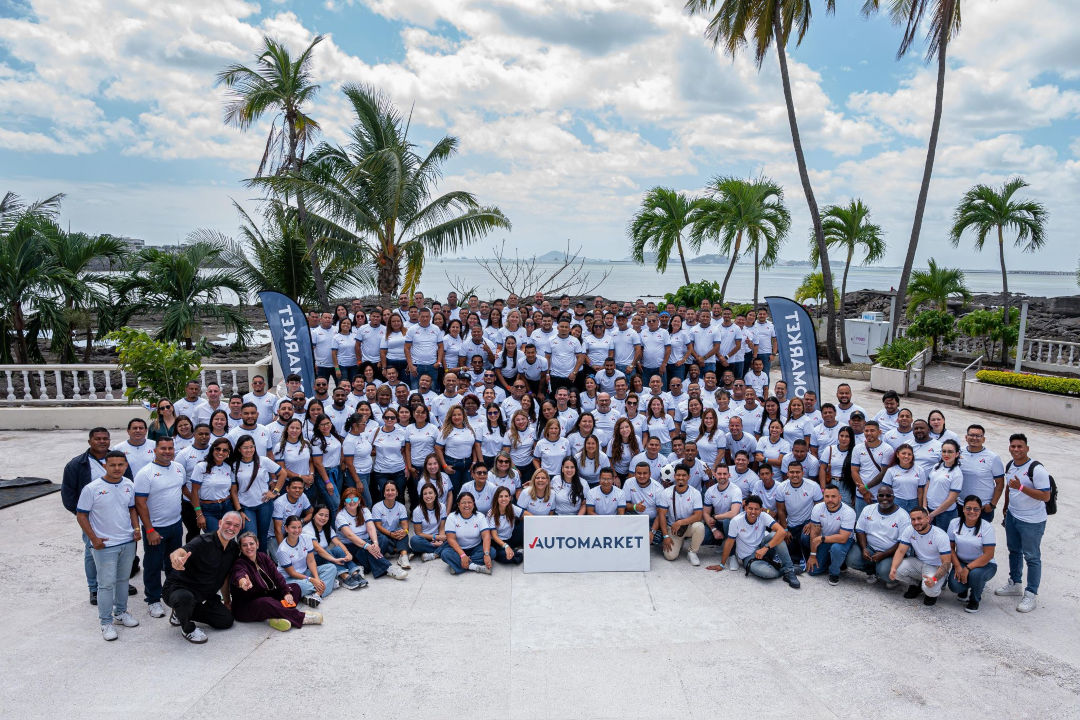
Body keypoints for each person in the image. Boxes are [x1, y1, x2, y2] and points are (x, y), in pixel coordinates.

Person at [63, 427, 138, 604]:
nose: (102, 441)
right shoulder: (76, 464)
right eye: (98, 438)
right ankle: (94, 588)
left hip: (118, 518)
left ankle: (120, 582)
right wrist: (84, 515)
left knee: (121, 552)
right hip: (92, 519)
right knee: (93, 552)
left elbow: (128, 486)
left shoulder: (118, 459)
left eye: (105, 438)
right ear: (90, 441)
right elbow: (68, 495)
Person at [76, 451, 141, 640]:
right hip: (105, 545)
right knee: (105, 585)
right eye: (112, 465)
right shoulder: (91, 488)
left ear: (126, 466)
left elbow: (132, 509)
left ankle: (120, 613)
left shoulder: (129, 485)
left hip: (127, 541)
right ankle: (106, 622)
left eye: (121, 465)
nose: (117, 468)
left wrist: (136, 528)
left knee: (122, 580)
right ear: (105, 466)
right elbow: (81, 515)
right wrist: (94, 539)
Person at [163, 511, 244, 644]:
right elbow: (179, 552)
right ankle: (187, 628)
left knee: (225, 620)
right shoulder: (203, 541)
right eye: (228, 523)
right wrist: (176, 559)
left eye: (236, 525)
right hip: (178, 589)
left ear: (240, 528)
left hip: (203, 594)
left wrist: (227, 601)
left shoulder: (234, 549)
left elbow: (225, 577)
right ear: (220, 523)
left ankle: (180, 612)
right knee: (185, 598)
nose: (231, 528)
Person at [994, 433, 1052, 613]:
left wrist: (1021, 487)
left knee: (1032, 557)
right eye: (1013, 446)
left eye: (1020, 446)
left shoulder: (1037, 469)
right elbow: (1008, 488)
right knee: (1014, 551)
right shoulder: (1010, 465)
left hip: (1032, 521)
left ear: (1027, 448)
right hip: (1013, 516)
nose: (1016, 449)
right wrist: (1006, 508)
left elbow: (1045, 496)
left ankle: (1031, 593)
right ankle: (1015, 583)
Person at [133, 437, 186, 619]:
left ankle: (172, 592)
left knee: (174, 563)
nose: (167, 452)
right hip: (156, 528)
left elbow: (181, 490)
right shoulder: (145, 473)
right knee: (153, 564)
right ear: (155, 451)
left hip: (176, 524)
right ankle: (153, 599)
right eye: (163, 448)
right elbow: (140, 503)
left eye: (170, 448)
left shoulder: (178, 468)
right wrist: (149, 530)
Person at [230, 531, 318, 631]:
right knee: (266, 602)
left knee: (294, 587)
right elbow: (239, 574)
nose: (249, 547)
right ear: (241, 548)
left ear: (257, 544)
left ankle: (278, 614)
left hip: (267, 596)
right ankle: (300, 617)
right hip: (247, 606)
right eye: (245, 545)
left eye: (251, 544)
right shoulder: (239, 563)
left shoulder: (263, 557)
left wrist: (286, 592)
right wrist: (243, 582)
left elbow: (277, 577)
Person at [711, 495, 799, 588]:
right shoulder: (736, 521)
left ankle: (789, 570)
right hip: (748, 556)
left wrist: (765, 548)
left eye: (756, 509)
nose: (753, 512)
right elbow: (729, 543)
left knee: (776, 535)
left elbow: (782, 532)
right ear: (745, 508)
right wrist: (722, 564)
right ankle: (786, 569)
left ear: (761, 510)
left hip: (763, 548)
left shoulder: (763, 516)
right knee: (767, 573)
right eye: (750, 508)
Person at [334, 488, 407, 580]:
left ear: (359, 500)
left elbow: (371, 527)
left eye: (355, 499)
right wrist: (367, 546)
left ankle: (364, 565)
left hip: (365, 542)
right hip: (351, 545)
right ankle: (389, 568)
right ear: (344, 502)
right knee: (367, 549)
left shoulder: (364, 510)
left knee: (383, 539)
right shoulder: (340, 516)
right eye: (348, 500)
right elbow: (350, 536)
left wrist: (375, 543)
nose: (352, 502)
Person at [847, 485, 910, 585]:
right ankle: (872, 572)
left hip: (890, 553)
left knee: (885, 571)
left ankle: (889, 578)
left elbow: (902, 543)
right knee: (851, 559)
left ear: (893, 497)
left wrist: (884, 554)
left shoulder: (903, 516)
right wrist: (864, 548)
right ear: (877, 497)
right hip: (870, 548)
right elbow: (860, 530)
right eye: (881, 495)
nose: (885, 498)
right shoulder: (868, 509)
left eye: (888, 496)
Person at [889, 506, 952, 605]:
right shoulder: (909, 530)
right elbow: (901, 551)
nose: (916, 522)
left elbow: (947, 563)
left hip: (936, 566)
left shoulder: (940, 535)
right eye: (913, 519)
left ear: (928, 519)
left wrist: (934, 579)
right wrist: (893, 568)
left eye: (919, 518)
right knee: (897, 571)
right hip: (919, 562)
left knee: (930, 590)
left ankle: (934, 589)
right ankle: (917, 585)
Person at [233, 435, 284, 553]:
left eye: (251, 447)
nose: (249, 450)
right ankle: (248, 562)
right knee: (250, 537)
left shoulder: (263, 460)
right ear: (239, 449)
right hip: (246, 507)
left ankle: (262, 560)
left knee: (262, 536)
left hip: (264, 505)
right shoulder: (235, 465)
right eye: (245, 447)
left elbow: (283, 473)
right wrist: (239, 510)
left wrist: (275, 492)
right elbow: (234, 491)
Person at [947, 495, 998, 613]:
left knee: (975, 575)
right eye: (968, 508)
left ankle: (975, 599)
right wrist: (958, 566)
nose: (972, 512)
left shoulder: (986, 527)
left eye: (976, 509)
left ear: (980, 510)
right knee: (954, 586)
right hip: (962, 562)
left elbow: (988, 555)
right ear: (963, 509)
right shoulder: (954, 523)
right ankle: (964, 588)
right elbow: (950, 548)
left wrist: (968, 568)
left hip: (984, 564)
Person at [275, 515, 338, 608]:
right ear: (286, 528)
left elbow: (311, 561)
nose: (297, 530)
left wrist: (316, 579)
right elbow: (292, 573)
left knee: (331, 568)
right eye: (293, 527)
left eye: (299, 527)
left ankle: (316, 594)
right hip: (289, 579)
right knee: (305, 585)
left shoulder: (306, 538)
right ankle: (326, 586)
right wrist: (311, 580)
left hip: (304, 573)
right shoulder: (282, 549)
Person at [805, 484, 857, 585]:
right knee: (813, 571)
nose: (830, 500)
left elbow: (843, 538)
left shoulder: (849, 512)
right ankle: (834, 561)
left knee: (836, 548)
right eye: (827, 496)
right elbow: (814, 533)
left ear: (840, 497)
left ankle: (834, 572)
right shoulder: (817, 508)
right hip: (825, 538)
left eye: (833, 496)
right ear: (823, 497)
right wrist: (813, 555)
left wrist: (822, 539)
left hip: (843, 541)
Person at [775, 462, 823, 570]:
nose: (795, 475)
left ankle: (806, 558)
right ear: (787, 473)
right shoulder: (781, 487)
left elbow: (820, 508)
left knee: (805, 537)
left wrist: (812, 523)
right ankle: (794, 559)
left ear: (803, 473)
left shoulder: (813, 486)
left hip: (807, 522)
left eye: (798, 472)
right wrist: (785, 529)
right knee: (784, 538)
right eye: (792, 472)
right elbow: (781, 510)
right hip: (791, 522)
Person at [304, 505, 364, 590]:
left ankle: (355, 573)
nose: (323, 518)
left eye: (326, 516)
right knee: (327, 553)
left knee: (338, 549)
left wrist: (347, 553)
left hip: (324, 555)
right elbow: (318, 549)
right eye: (321, 515)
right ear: (314, 515)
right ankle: (344, 577)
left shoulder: (327, 527)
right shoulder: (307, 530)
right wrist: (334, 559)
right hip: (312, 560)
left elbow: (337, 542)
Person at [191, 438, 239, 533]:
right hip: (208, 509)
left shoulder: (228, 467)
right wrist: (199, 514)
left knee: (229, 536)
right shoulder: (201, 466)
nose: (221, 452)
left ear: (228, 453)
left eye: (225, 450)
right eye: (218, 449)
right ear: (212, 450)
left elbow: (233, 491)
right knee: (215, 537)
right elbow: (194, 491)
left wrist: (238, 510)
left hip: (227, 507)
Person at [659, 464, 705, 565]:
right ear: (674, 476)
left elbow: (698, 516)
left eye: (684, 475)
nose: (681, 478)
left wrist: (680, 522)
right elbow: (661, 515)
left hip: (688, 526)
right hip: (673, 528)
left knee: (700, 526)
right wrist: (665, 536)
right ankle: (679, 542)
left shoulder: (695, 493)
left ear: (689, 477)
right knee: (670, 556)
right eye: (678, 475)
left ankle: (692, 552)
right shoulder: (666, 492)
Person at [440, 492, 495, 575]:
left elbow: (486, 536)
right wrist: (462, 555)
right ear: (458, 504)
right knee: (445, 554)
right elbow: (451, 539)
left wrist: (486, 554)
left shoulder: (480, 516)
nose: (467, 505)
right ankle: (474, 567)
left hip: (475, 548)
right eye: (463, 503)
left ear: (473, 504)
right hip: (458, 549)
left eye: (469, 502)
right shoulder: (452, 517)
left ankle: (457, 565)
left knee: (492, 552)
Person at [959, 424, 1005, 521]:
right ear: (966, 437)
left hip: (982, 508)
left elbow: (1000, 483)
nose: (974, 438)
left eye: (978, 436)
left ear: (983, 439)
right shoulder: (958, 453)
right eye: (971, 435)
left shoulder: (993, 457)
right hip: (960, 505)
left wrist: (992, 505)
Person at [925, 439, 964, 532]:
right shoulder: (936, 466)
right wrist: (924, 507)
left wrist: (932, 515)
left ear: (957, 454)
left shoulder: (957, 474)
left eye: (950, 452)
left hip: (945, 515)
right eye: (944, 451)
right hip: (929, 510)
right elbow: (927, 486)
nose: (946, 454)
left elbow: (951, 500)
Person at [372, 482, 411, 569]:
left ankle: (403, 557)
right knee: (383, 540)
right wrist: (390, 534)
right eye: (387, 490)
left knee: (403, 534)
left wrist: (405, 531)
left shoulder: (401, 506)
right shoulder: (377, 507)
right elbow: (378, 526)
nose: (390, 492)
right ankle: (400, 549)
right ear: (384, 493)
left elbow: (405, 524)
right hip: (382, 535)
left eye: (393, 490)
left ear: (397, 493)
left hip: (395, 534)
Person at [703, 465, 743, 546]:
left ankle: (730, 544)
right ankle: (721, 540)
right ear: (715, 475)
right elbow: (705, 512)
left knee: (727, 521)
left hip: (731, 522)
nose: (722, 476)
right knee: (703, 539)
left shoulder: (736, 490)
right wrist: (714, 530)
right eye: (719, 474)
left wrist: (715, 517)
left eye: (725, 474)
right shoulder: (710, 491)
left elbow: (733, 513)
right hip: (717, 523)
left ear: (729, 475)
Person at [408, 482, 447, 562]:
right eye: (425, 494)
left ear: (435, 494)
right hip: (423, 539)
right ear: (422, 496)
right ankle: (440, 550)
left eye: (430, 493)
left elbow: (442, 528)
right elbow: (418, 533)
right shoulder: (417, 511)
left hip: (437, 537)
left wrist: (441, 540)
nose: (428, 496)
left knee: (454, 537)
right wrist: (435, 538)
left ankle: (430, 553)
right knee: (414, 540)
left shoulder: (442, 507)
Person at [488, 486, 524, 564]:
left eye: (506, 496)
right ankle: (516, 553)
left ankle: (514, 551)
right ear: (496, 498)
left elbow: (528, 515)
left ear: (510, 498)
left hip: (510, 538)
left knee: (524, 524)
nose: (503, 499)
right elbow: (494, 536)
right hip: (498, 542)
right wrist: (506, 546)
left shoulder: (512, 507)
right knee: (505, 557)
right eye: (501, 496)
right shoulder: (492, 513)